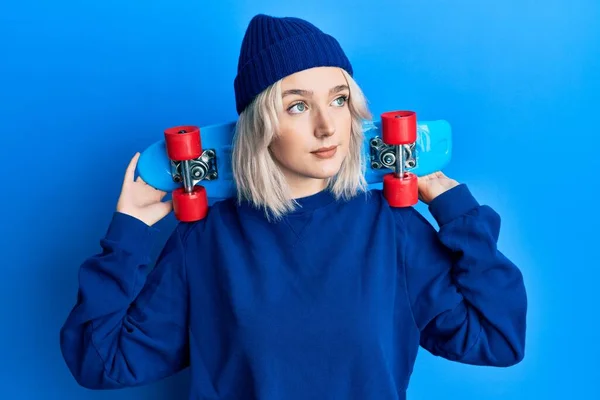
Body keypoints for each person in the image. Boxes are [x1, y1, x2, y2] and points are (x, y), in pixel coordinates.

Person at [60, 13, 527, 399]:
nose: (327, 126)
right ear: (260, 125)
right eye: (297, 106)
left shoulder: (392, 228)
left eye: (339, 99)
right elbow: (101, 361)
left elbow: (499, 337)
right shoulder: (206, 239)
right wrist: (128, 234)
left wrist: (457, 212)